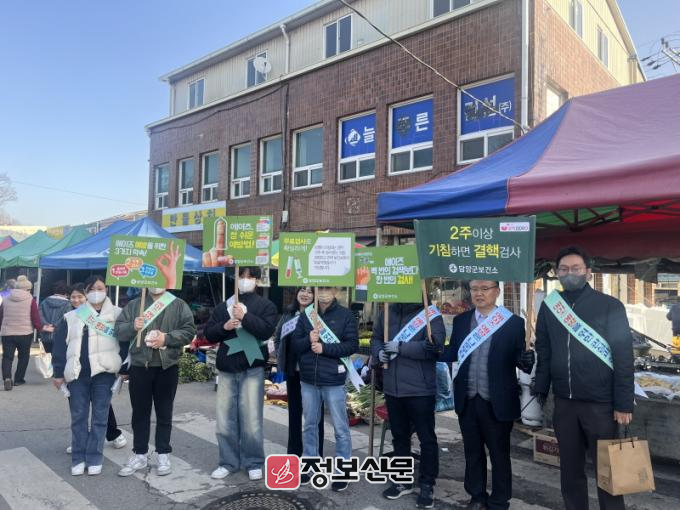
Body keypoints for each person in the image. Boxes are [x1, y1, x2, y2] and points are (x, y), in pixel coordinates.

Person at [533, 246, 634, 510]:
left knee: (608, 472)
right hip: (564, 403)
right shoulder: (550, 307)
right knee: (570, 470)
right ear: (557, 273)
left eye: (576, 268)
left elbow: (624, 356)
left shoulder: (610, 305)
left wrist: (623, 403)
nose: (570, 274)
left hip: (601, 405)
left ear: (588, 272)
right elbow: (544, 350)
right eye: (564, 269)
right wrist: (540, 388)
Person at [440, 280, 534, 510]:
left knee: (499, 453)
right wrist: (436, 350)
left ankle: (500, 500)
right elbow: (454, 352)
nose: (479, 293)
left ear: (497, 292)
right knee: (472, 452)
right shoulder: (462, 321)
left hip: (497, 400)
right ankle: (477, 496)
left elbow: (520, 360)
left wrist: (526, 360)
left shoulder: (513, 323)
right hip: (468, 398)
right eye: (474, 289)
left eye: (484, 289)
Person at [205, 267, 278, 481]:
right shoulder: (223, 306)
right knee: (224, 420)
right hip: (227, 368)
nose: (245, 280)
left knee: (252, 420)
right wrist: (225, 326)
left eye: (250, 276)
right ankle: (228, 462)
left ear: (257, 280)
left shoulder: (266, 305)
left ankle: (253, 462)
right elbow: (209, 334)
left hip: (252, 368)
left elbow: (266, 330)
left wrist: (245, 317)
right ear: (235, 278)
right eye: (241, 276)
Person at [115, 285, 195, 477]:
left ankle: (163, 453)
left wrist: (167, 338)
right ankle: (140, 453)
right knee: (140, 412)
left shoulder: (178, 305)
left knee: (164, 412)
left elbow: (189, 331)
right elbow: (118, 331)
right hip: (139, 366)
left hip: (167, 366)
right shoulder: (134, 305)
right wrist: (132, 327)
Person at [371, 302, 446, 508]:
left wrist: (401, 347)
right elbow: (376, 337)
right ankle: (402, 480)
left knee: (426, 439)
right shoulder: (387, 310)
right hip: (393, 389)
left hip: (420, 389)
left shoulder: (430, 314)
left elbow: (436, 347)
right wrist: (378, 352)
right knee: (399, 437)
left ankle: (427, 484)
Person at [51, 275, 122, 476]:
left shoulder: (118, 314)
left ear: (106, 290)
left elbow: (127, 341)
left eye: (100, 288)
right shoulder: (71, 316)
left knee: (100, 419)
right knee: (78, 418)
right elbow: (59, 346)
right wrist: (58, 373)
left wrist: (124, 368)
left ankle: (94, 457)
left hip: (104, 374)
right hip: (77, 375)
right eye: (92, 289)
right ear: (86, 292)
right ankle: (78, 458)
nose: (96, 292)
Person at [292, 286, 359, 492]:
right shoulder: (307, 315)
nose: (323, 292)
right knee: (310, 425)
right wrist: (308, 339)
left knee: (340, 428)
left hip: (334, 380)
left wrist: (325, 348)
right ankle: (310, 464)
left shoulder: (346, 315)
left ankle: (343, 470)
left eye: (328, 288)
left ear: (336, 291)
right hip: (308, 380)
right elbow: (295, 345)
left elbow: (352, 345)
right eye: (320, 288)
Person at [64, 284, 127, 455]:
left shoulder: (104, 314)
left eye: (79, 296)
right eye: (73, 297)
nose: (76, 300)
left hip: (99, 369)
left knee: (102, 406)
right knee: (78, 410)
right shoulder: (69, 316)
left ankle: (113, 434)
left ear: (86, 297)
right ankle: (80, 441)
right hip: (76, 370)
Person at [273, 287, 323, 457]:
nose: (305, 294)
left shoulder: (318, 316)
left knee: (315, 416)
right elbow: (277, 337)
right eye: (302, 290)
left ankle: (316, 455)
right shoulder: (289, 314)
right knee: (294, 413)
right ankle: (294, 453)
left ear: (315, 296)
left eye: (310, 291)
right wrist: (281, 356)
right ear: (296, 293)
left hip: (312, 372)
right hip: (293, 370)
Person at [1, 275, 43, 390]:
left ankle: (7, 378)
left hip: (7, 333)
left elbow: (1, 315)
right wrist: (40, 328)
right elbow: (35, 317)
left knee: (7, 357)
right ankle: (18, 379)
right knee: (23, 356)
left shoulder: (6, 299)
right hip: (25, 333)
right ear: (27, 289)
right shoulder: (30, 300)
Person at [39, 280, 72, 354]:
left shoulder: (44, 302)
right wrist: (55, 326)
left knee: (48, 357)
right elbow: (66, 318)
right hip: (61, 336)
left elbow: (39, 315)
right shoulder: (68, 304)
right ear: (66, 292)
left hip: (45, 335)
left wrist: (47, 324)